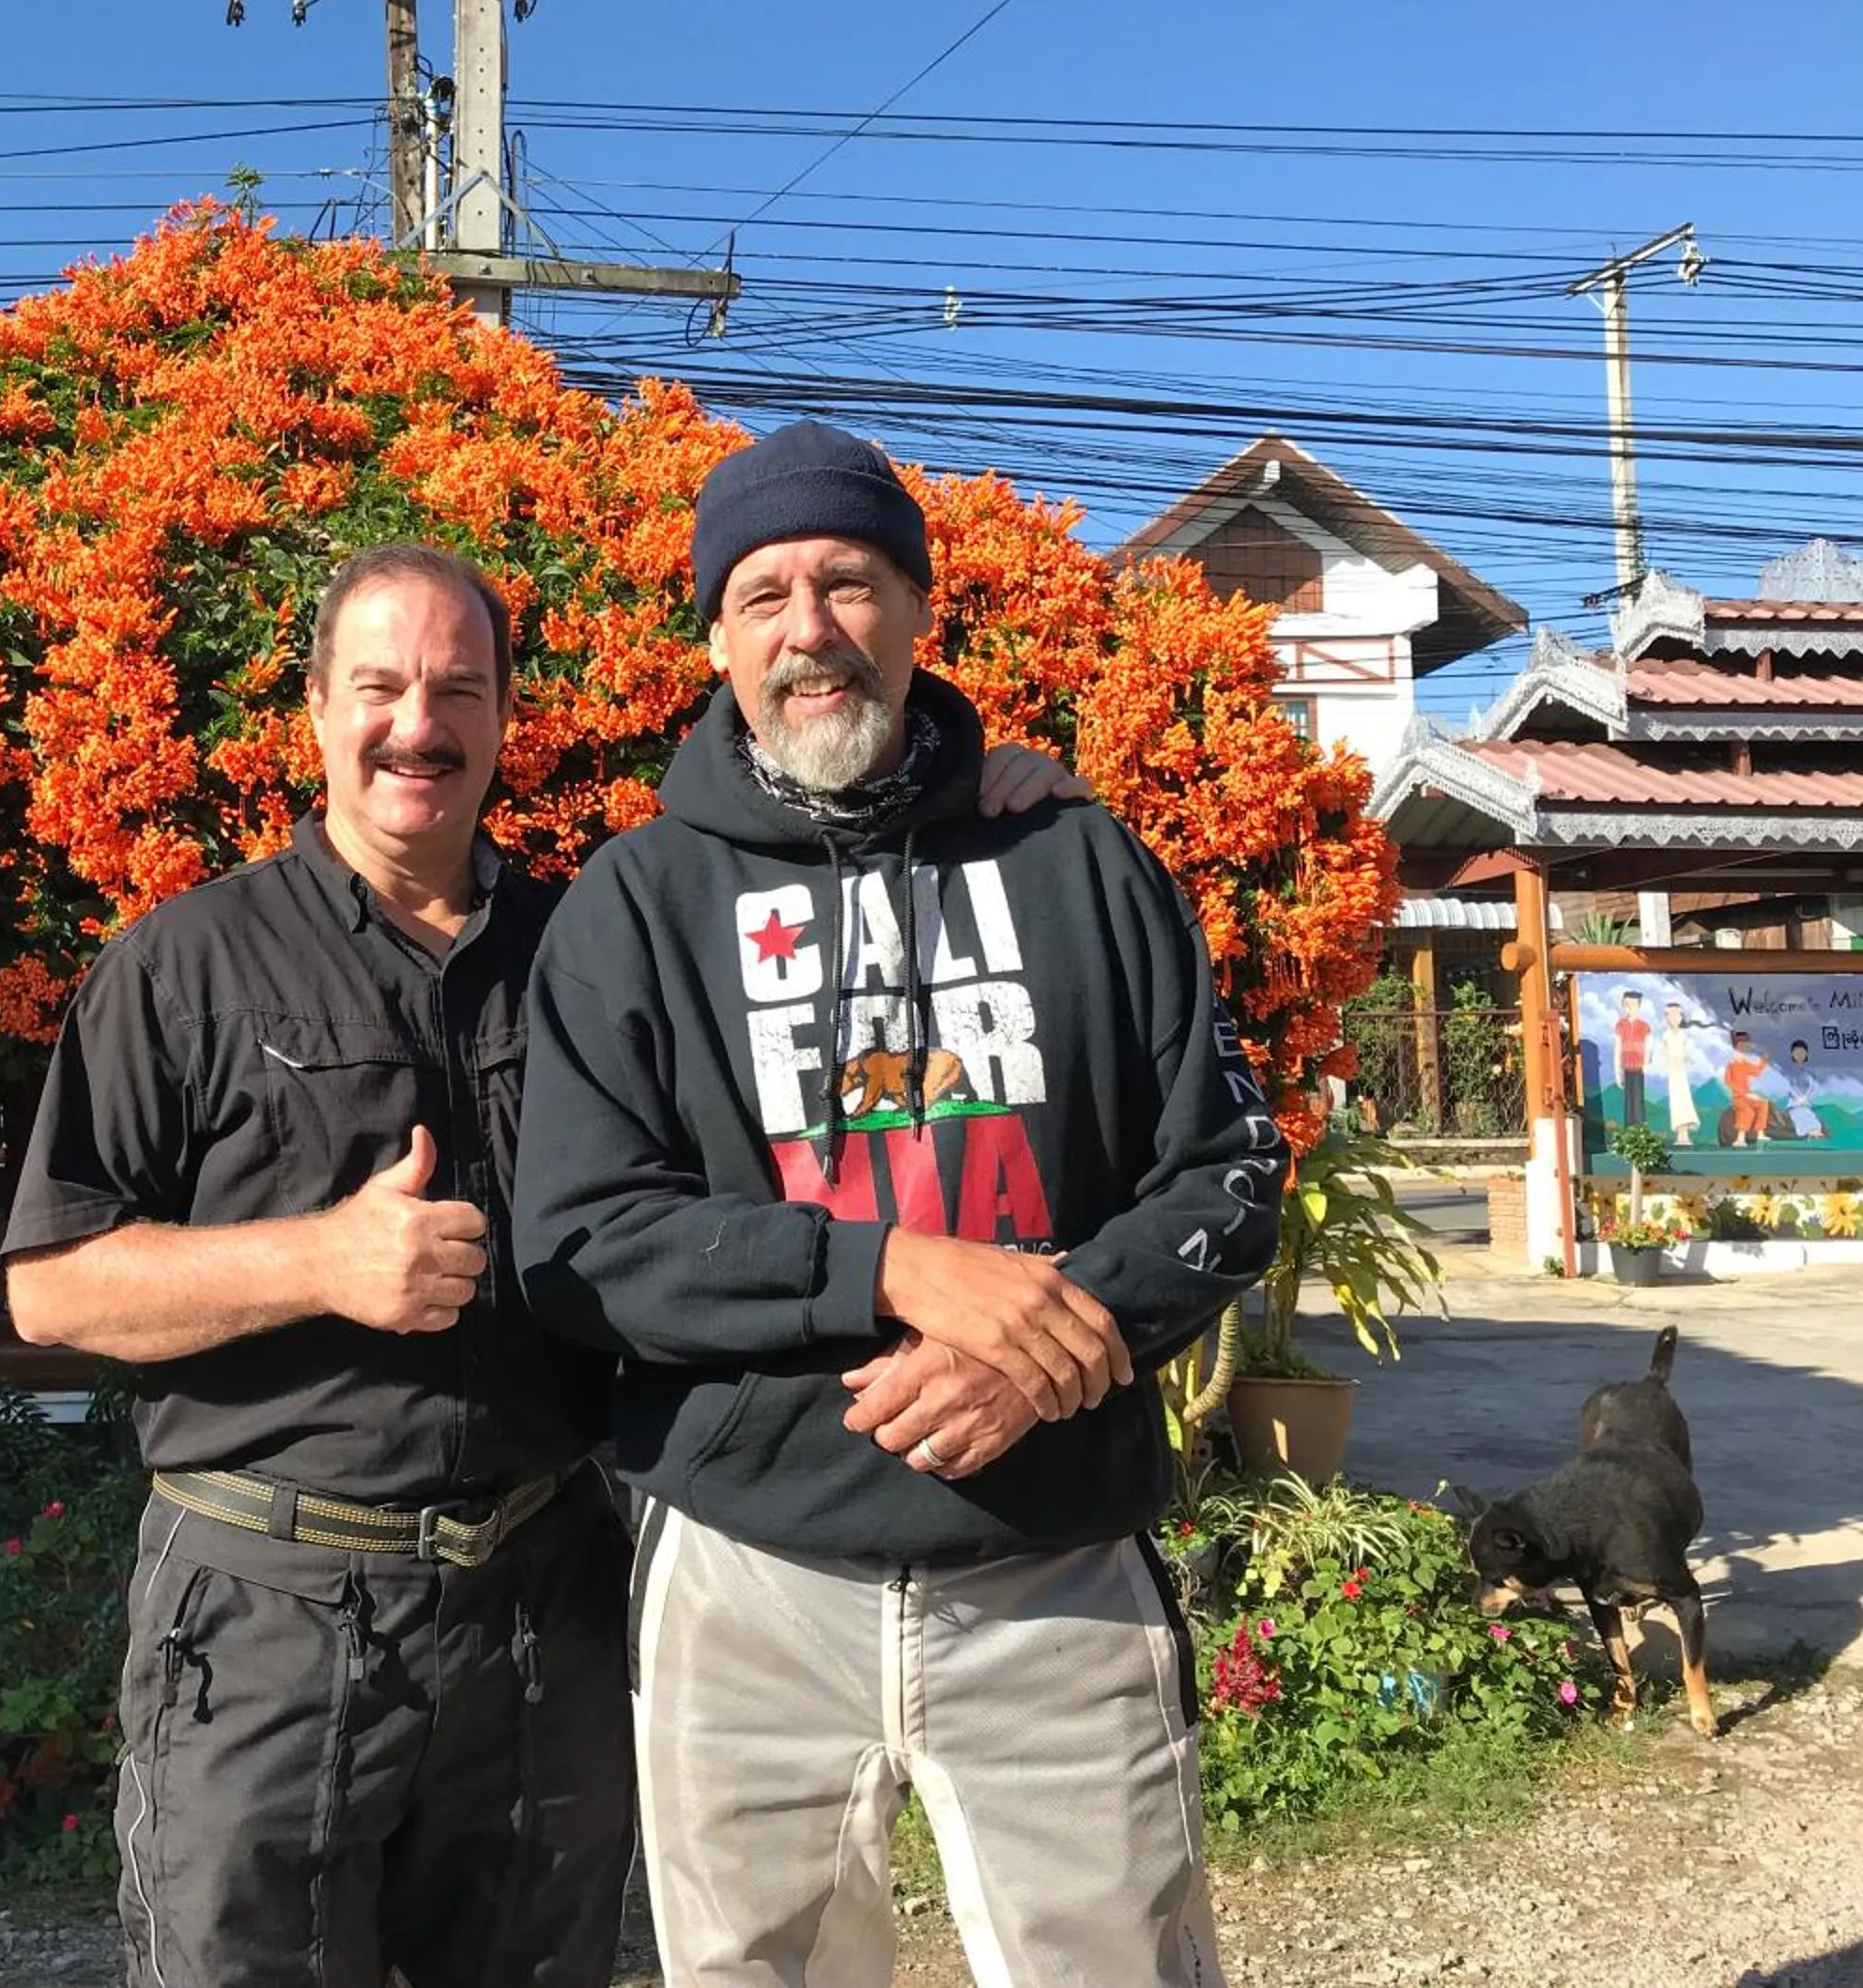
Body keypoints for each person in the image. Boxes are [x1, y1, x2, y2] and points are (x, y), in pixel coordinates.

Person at [0, 539, 1083, 1988]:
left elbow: (828, 1069)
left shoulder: (603, 942)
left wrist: (986, 803)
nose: (418, 724)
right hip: (264, 1607)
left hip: (539, 1597)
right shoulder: (185, 966)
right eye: (379, 686)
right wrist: (323, 1260)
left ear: (507, 716)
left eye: (459, 687)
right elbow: (51, 1284)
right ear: (316, 709)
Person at [514, 423, 1288, 1988]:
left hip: (1054, 1561)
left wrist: (1048, 1337)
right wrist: (899, 1272)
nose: (812, 629)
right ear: (718, 638)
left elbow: (1231, 1168)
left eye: (850, 583)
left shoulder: (1081, 862)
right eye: (767, 593)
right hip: (750, 1574)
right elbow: (582, 1241)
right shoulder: (637, 904)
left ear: (920, 612)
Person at [1725, 1029, 1773, 1148]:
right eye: (1745, 1044)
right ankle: (1740, 1139)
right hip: (1738, 1097)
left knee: (1763, 1103)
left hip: (1747, 1095)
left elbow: (1756, 1072)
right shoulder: (1732, 1064)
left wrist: (1763, 1061)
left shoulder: (1745, 1063)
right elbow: (1728, 1081)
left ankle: (1760, 1133)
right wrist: (1744, 1094)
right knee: (1747, 1111)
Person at [1663, 1000, 1700, 1148]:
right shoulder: (1666, 1035)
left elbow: (1686, 1053)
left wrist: (1685, 1060)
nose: (1675, 1019)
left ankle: (1685, 1134)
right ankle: (1680, 1134)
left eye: (1678, 1015)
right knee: (1676, 1102)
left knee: (1684, 1101)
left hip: (1681, 1073)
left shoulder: (1683, 1036)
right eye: (1672, 1015)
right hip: (1673, 1073)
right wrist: (1673, 1060)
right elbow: (1666, 1053)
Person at [1613, 989, 1651, 1128]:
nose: (1629, 1008)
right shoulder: (1621, 1025)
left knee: (1638, 1099)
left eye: (1633, 1005)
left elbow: (1648, 1047)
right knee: (1628, 1100)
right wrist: (1618, 1073)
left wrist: (1646, 1064)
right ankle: (1629, 1129)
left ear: (1639, 1006)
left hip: (1639, 1068)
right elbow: (1617, 1049)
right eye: (1626, 1004)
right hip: (1626, 1067)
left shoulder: (1643, 1026)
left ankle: (1640, 1129)